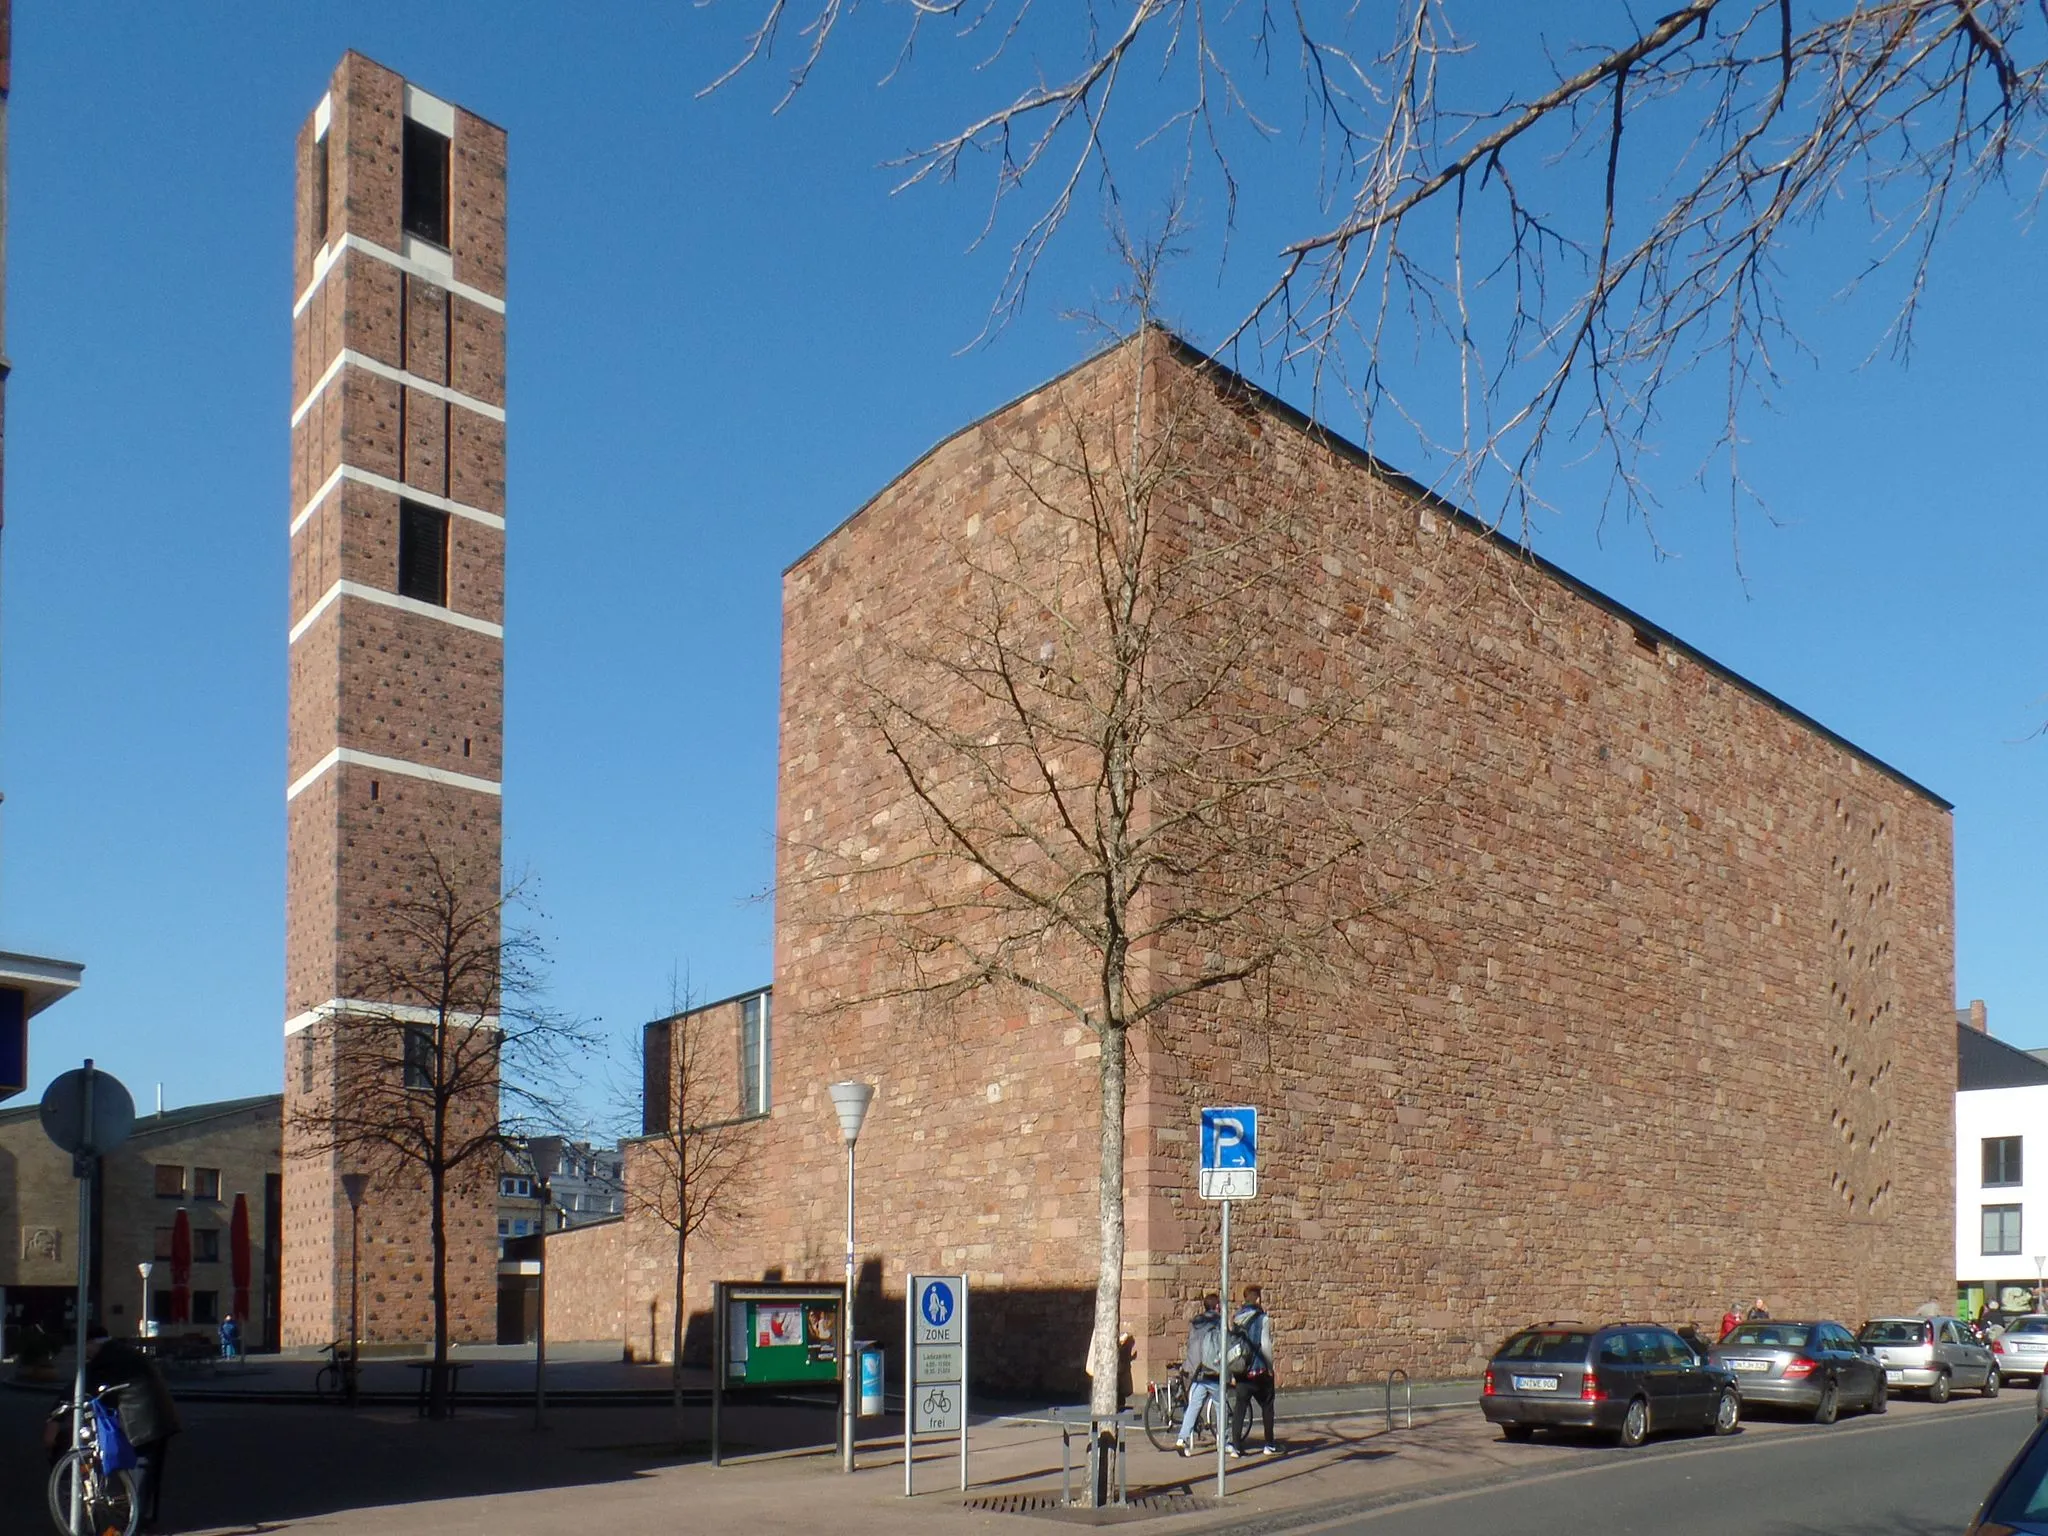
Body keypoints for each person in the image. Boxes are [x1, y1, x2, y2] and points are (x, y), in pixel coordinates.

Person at [85, 1323, 181, 1529]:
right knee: (151, 1472)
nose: (85, 1353)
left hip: (142, 1420)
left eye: (85, 1348)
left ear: (91, 1344)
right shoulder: (122, 1350)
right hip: (161, 1415)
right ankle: (144, 1520)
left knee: (140, 1469)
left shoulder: (103, 1359)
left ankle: (133, 1525)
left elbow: (88, 1388)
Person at [1228, 1285, 1280, 1456]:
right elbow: (1265, 1345)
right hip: (1259, 1370)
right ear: (1257, 1299)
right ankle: (1269, 1444)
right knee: (1267, 1406)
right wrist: (1270, 1367)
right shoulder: (1262, 1318)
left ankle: (1235, 1446)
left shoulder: (1236, 1318)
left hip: (1242, 1370)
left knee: (1240, 1408)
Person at [1175, 1294, 1223, 1456]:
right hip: (1213, 1371)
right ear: (1217, 1307)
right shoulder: (1218, 1322)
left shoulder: (1196, 1322)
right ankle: (1225, 1441)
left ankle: (1182, 1439)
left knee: (1193, 1408)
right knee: (1221, 1407)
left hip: (1197, 1372)